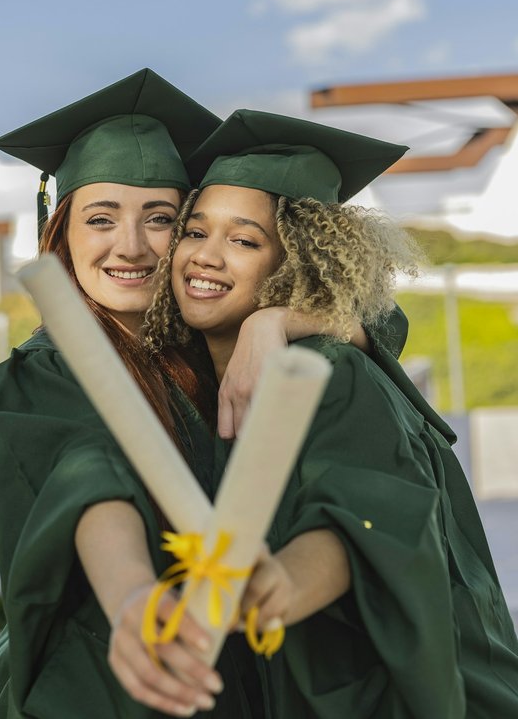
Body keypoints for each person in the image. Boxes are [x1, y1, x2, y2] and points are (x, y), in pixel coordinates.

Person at [0, 71, 398, 719]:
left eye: (163, 219)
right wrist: (134, 594)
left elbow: (380, 320)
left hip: (243, 676)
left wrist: (275, 320)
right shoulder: (42, 370)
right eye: (101, 218)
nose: (131, 246)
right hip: (100, 682)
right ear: (62, 231)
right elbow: (87, 480)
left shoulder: (218, 341)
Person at [144, 109, 518, 718]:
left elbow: (364, 512)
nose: (206, 257)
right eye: (194, 231)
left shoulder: (328, 372)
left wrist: (279, 585)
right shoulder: (191, 379)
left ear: (295, 265)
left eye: (244, 240)